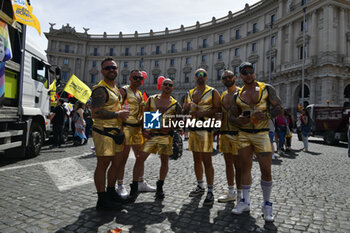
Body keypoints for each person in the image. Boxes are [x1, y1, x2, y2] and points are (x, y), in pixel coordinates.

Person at [229, 62, 283, 222]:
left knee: (266, 170)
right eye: (245, 73)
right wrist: (238, 119)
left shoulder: (267, 88)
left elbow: (279, 107)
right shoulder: (237, 95)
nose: (248, 75)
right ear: (240, 76)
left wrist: (266, 116)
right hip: (244, 135)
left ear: (254, 72)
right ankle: (245, 202)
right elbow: (231, 117)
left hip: (262, 134)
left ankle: (267, 205)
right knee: (245, 169)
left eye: (251, 72)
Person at [131, 78, 182, 201]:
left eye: (170, 85)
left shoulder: (175, 104)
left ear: (172, 88)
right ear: (161, 86)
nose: (168, 86)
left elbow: (180, 122)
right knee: (140, 158)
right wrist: (144, 130)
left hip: (166, 137)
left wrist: (171, 127)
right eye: (165, 84)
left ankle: (160, 187)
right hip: (151, 136)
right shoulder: (152, 99)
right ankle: (134, 187)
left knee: (164, 162)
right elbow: (144, 115)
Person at [90, 57, 130, 210]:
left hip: (116, 132)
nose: (111, 70)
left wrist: (121, 119)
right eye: (108, 68)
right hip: (103, 131)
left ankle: (111, 192)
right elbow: (96, 112)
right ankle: (102, 199)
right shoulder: (100, 89)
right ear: (102, 71)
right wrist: (117, 115)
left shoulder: (116, 90)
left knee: (117, 163)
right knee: (103, 164)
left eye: (113, 68)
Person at [183, 68, 221, 206]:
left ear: (206, 77)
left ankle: (210, 190)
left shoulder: (213, 91)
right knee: (196, 159)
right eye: (198, 74)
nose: (200, 76)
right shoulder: (190, 93)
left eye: (203, 74)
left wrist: (203, 114)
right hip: (193, 128)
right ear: (194, 77)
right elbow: (185, 110)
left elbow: (218, 109)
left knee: (207, 160)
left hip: (206, 128)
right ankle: (200, 186)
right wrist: (187, 107)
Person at [116, 70, 155, 201]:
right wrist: (120, 128)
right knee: (123, 158)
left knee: (140, 157)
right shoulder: (123, 91)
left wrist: (147, 128)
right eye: (135, 77)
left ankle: (140, 182)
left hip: (137, 129)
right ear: (130, 78)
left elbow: (143, 113)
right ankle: (120, 185)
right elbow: (116, 110)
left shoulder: (140, 94)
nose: (138, 80)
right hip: (126, 128)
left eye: (140, 78)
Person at [217, 70, 242, 203]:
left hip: (237, 134)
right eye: (224, 78)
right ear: (222, 80)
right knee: (228, 164)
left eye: (229, 77)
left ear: (235, 78)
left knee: (238, 165)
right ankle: (231, 191)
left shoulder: (241, 93)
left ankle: (239, 194)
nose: (227, 79)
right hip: (224, 133)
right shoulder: (223, 95)